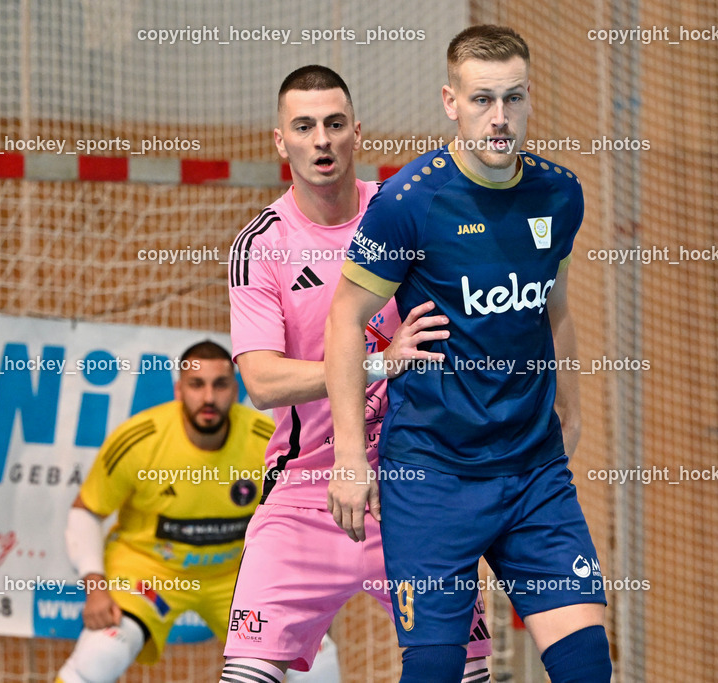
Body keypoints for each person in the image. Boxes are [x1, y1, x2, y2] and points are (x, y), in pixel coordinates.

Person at [325, 25, 610, 683]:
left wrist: (571, 408)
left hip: (534, 468)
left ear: (530, 97)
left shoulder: (559, 194)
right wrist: (348, 455)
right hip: (431, 474)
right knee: (433, 672)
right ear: (450, 101)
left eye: (513, 98)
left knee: (589, 665)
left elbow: (555, 305)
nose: (500, 117)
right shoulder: (409, 203)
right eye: (482, 100)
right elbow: (345, 319)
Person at [219, 65, 492, 683]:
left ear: (356, 133)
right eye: (305, 126)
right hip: (304, 493)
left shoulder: (405, 214)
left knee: (464, 675)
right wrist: (377, 363)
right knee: (245, 676)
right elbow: (262, 383)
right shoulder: (262, 245)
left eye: (335, 124)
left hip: (414, 488)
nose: (322, 140)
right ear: (279, 141)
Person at [56, 341, 272, 683]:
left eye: (220, 384)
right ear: (178, 390)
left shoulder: (269, 441)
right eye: (196, 384)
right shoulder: (139, 440)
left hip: (235, 577)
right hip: (149, 571)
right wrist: (95, 587)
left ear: (236, 389)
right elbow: (87, 511)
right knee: (101, 653)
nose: (209, 398)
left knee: (315, 658)